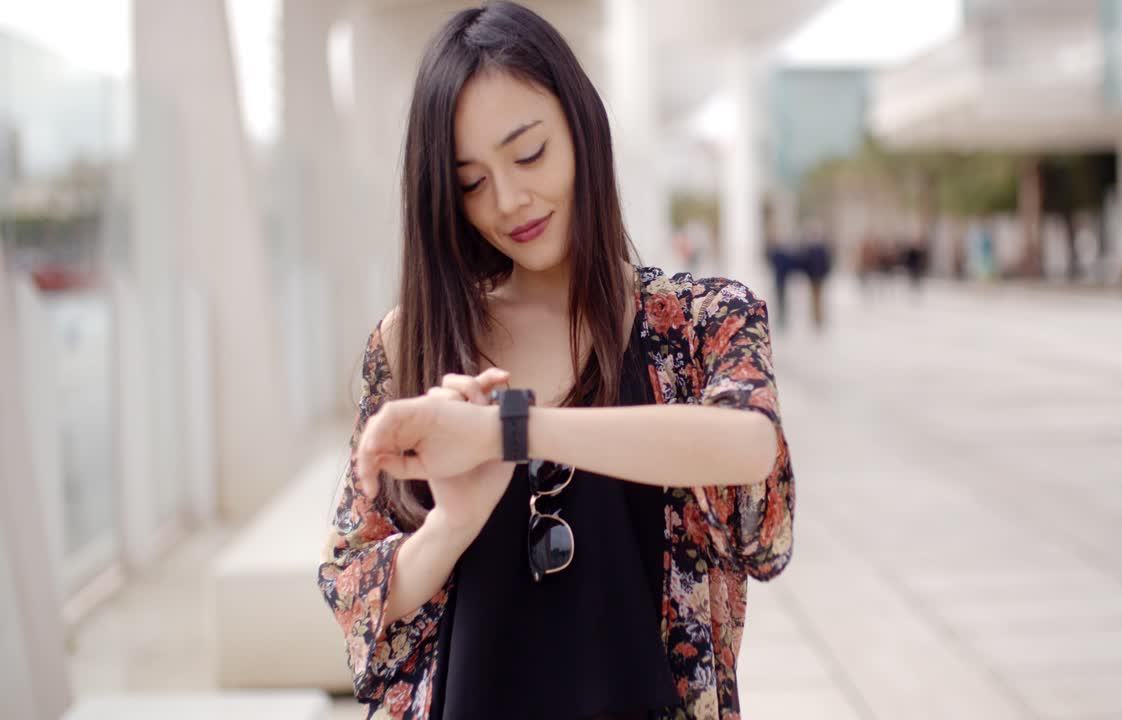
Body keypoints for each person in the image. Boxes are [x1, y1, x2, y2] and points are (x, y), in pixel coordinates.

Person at [315, 4, 796, 719]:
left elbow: (750, 447)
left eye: (529, 153)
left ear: (580, 124)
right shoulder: (413, 339)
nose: (510, 201)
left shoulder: (701, 319)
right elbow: (357, 589)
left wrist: (513, 431)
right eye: (472, 182)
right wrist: (452, 522)